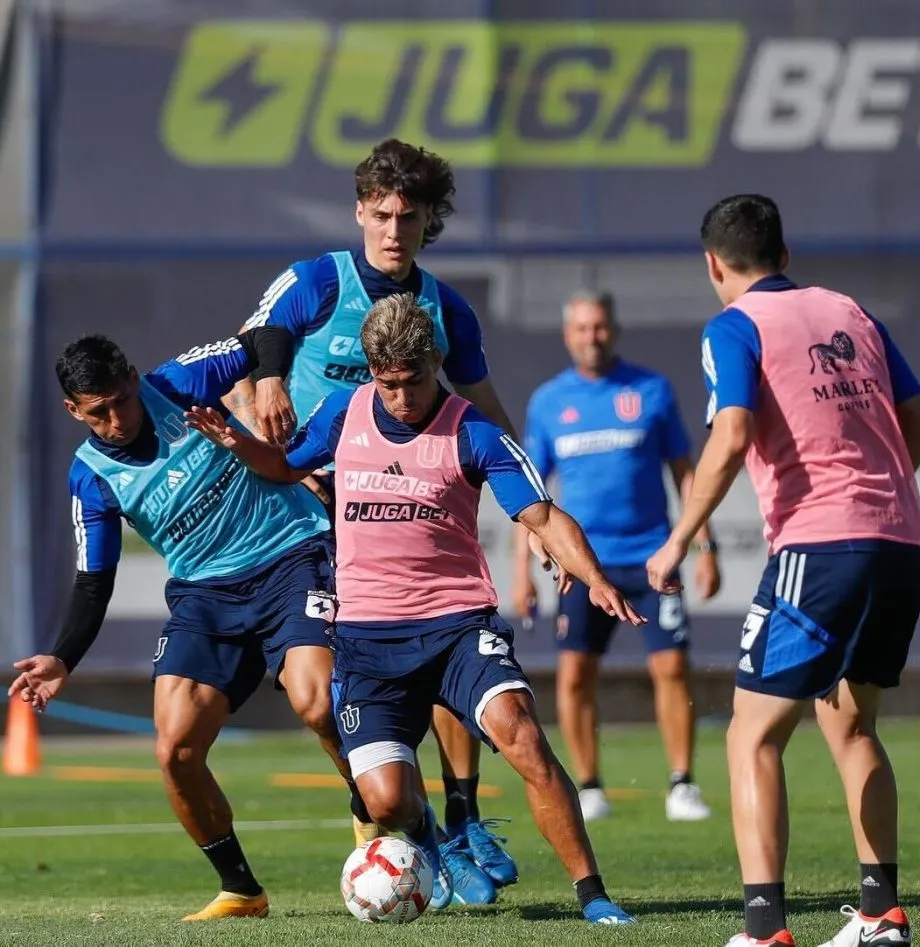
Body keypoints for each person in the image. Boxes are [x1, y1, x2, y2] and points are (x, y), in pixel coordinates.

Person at [186, 292, 643, 924]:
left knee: (523, 736)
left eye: (414, 381)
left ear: (435, 364)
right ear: (372, 373)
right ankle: (432, 837)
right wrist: (236, 441)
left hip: (458, 626)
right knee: (384, 802)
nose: (402, 397)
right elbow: (285, 468)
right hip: (367, 638)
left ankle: (594, 897)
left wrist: (594, 578)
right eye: (389, 384)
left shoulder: (474, 432)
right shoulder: (343, 412)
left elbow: (544, 515)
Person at [222, 138, 518, 895]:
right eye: (380, 214)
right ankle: (399, 816)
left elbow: (482, 406)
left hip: (404, 513)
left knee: (445, 651)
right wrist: (267, 381)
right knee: (316, 697)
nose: (393, 229)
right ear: (359, 212)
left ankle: (459, 819)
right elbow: (256, 340)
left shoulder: (446, 309)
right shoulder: (318, 281)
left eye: (407, 217)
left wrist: (531, 501)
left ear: (428, 222)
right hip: (308, 522)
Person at [645, 195, 920, 947]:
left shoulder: (733, 325)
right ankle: (881, 916)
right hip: (898, 544)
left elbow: (733, 430)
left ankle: (764, 929)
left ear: (713, 265)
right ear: (784, 253)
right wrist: (876, 492)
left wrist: (679, 539)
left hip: (819, 550)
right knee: (853, 725)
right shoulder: (850, 311)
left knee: (752, 736)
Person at [8, 328, 347, 921]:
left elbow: (267, 336)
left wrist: (269, 382)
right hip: (204, 596)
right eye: (98, 412)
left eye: (121, 400)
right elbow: (94, 580)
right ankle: (242, 891)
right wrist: (63, 657)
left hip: (291, 554)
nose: (116, 420)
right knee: (175, 750)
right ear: (73, 411)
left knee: (317, 702)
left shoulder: (179, 383)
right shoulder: (91, 476)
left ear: (133, 379)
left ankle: (376, 813)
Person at [512, 290, 721, 823]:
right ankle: (589, 787)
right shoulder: (548, 402)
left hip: (652, 557)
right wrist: (522, 574)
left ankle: (682, 784)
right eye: (582, 328)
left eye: (600, 327)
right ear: (568, 335)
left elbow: (686, 473)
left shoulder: (652, 390)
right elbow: (529, 498)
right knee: (575, 674)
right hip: (583, 566)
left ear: (615, 330)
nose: (592, 337)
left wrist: (705, 545)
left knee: (671, 667)